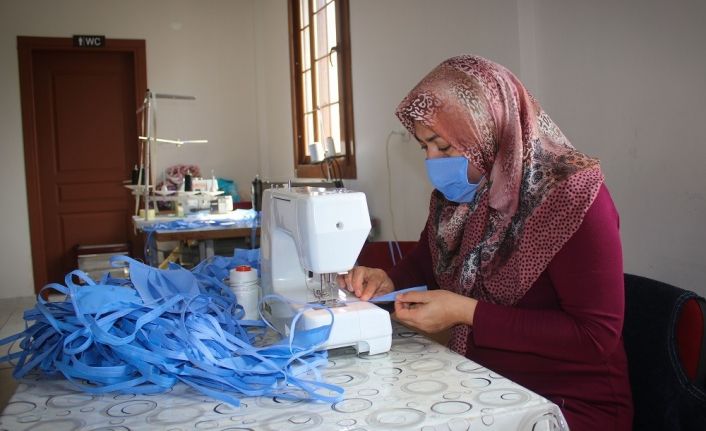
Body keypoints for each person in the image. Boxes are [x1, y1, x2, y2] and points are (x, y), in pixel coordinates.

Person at [339, 55, 633, 430]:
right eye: (424, 147)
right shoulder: (461, 198)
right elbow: (427, 262)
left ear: (487, 131)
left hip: (566, 404)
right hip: (484, 383)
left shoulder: (572, 198)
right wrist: (389, 279)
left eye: (443, 147)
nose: (432, 161)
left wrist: (467, 312)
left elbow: (595, 336)